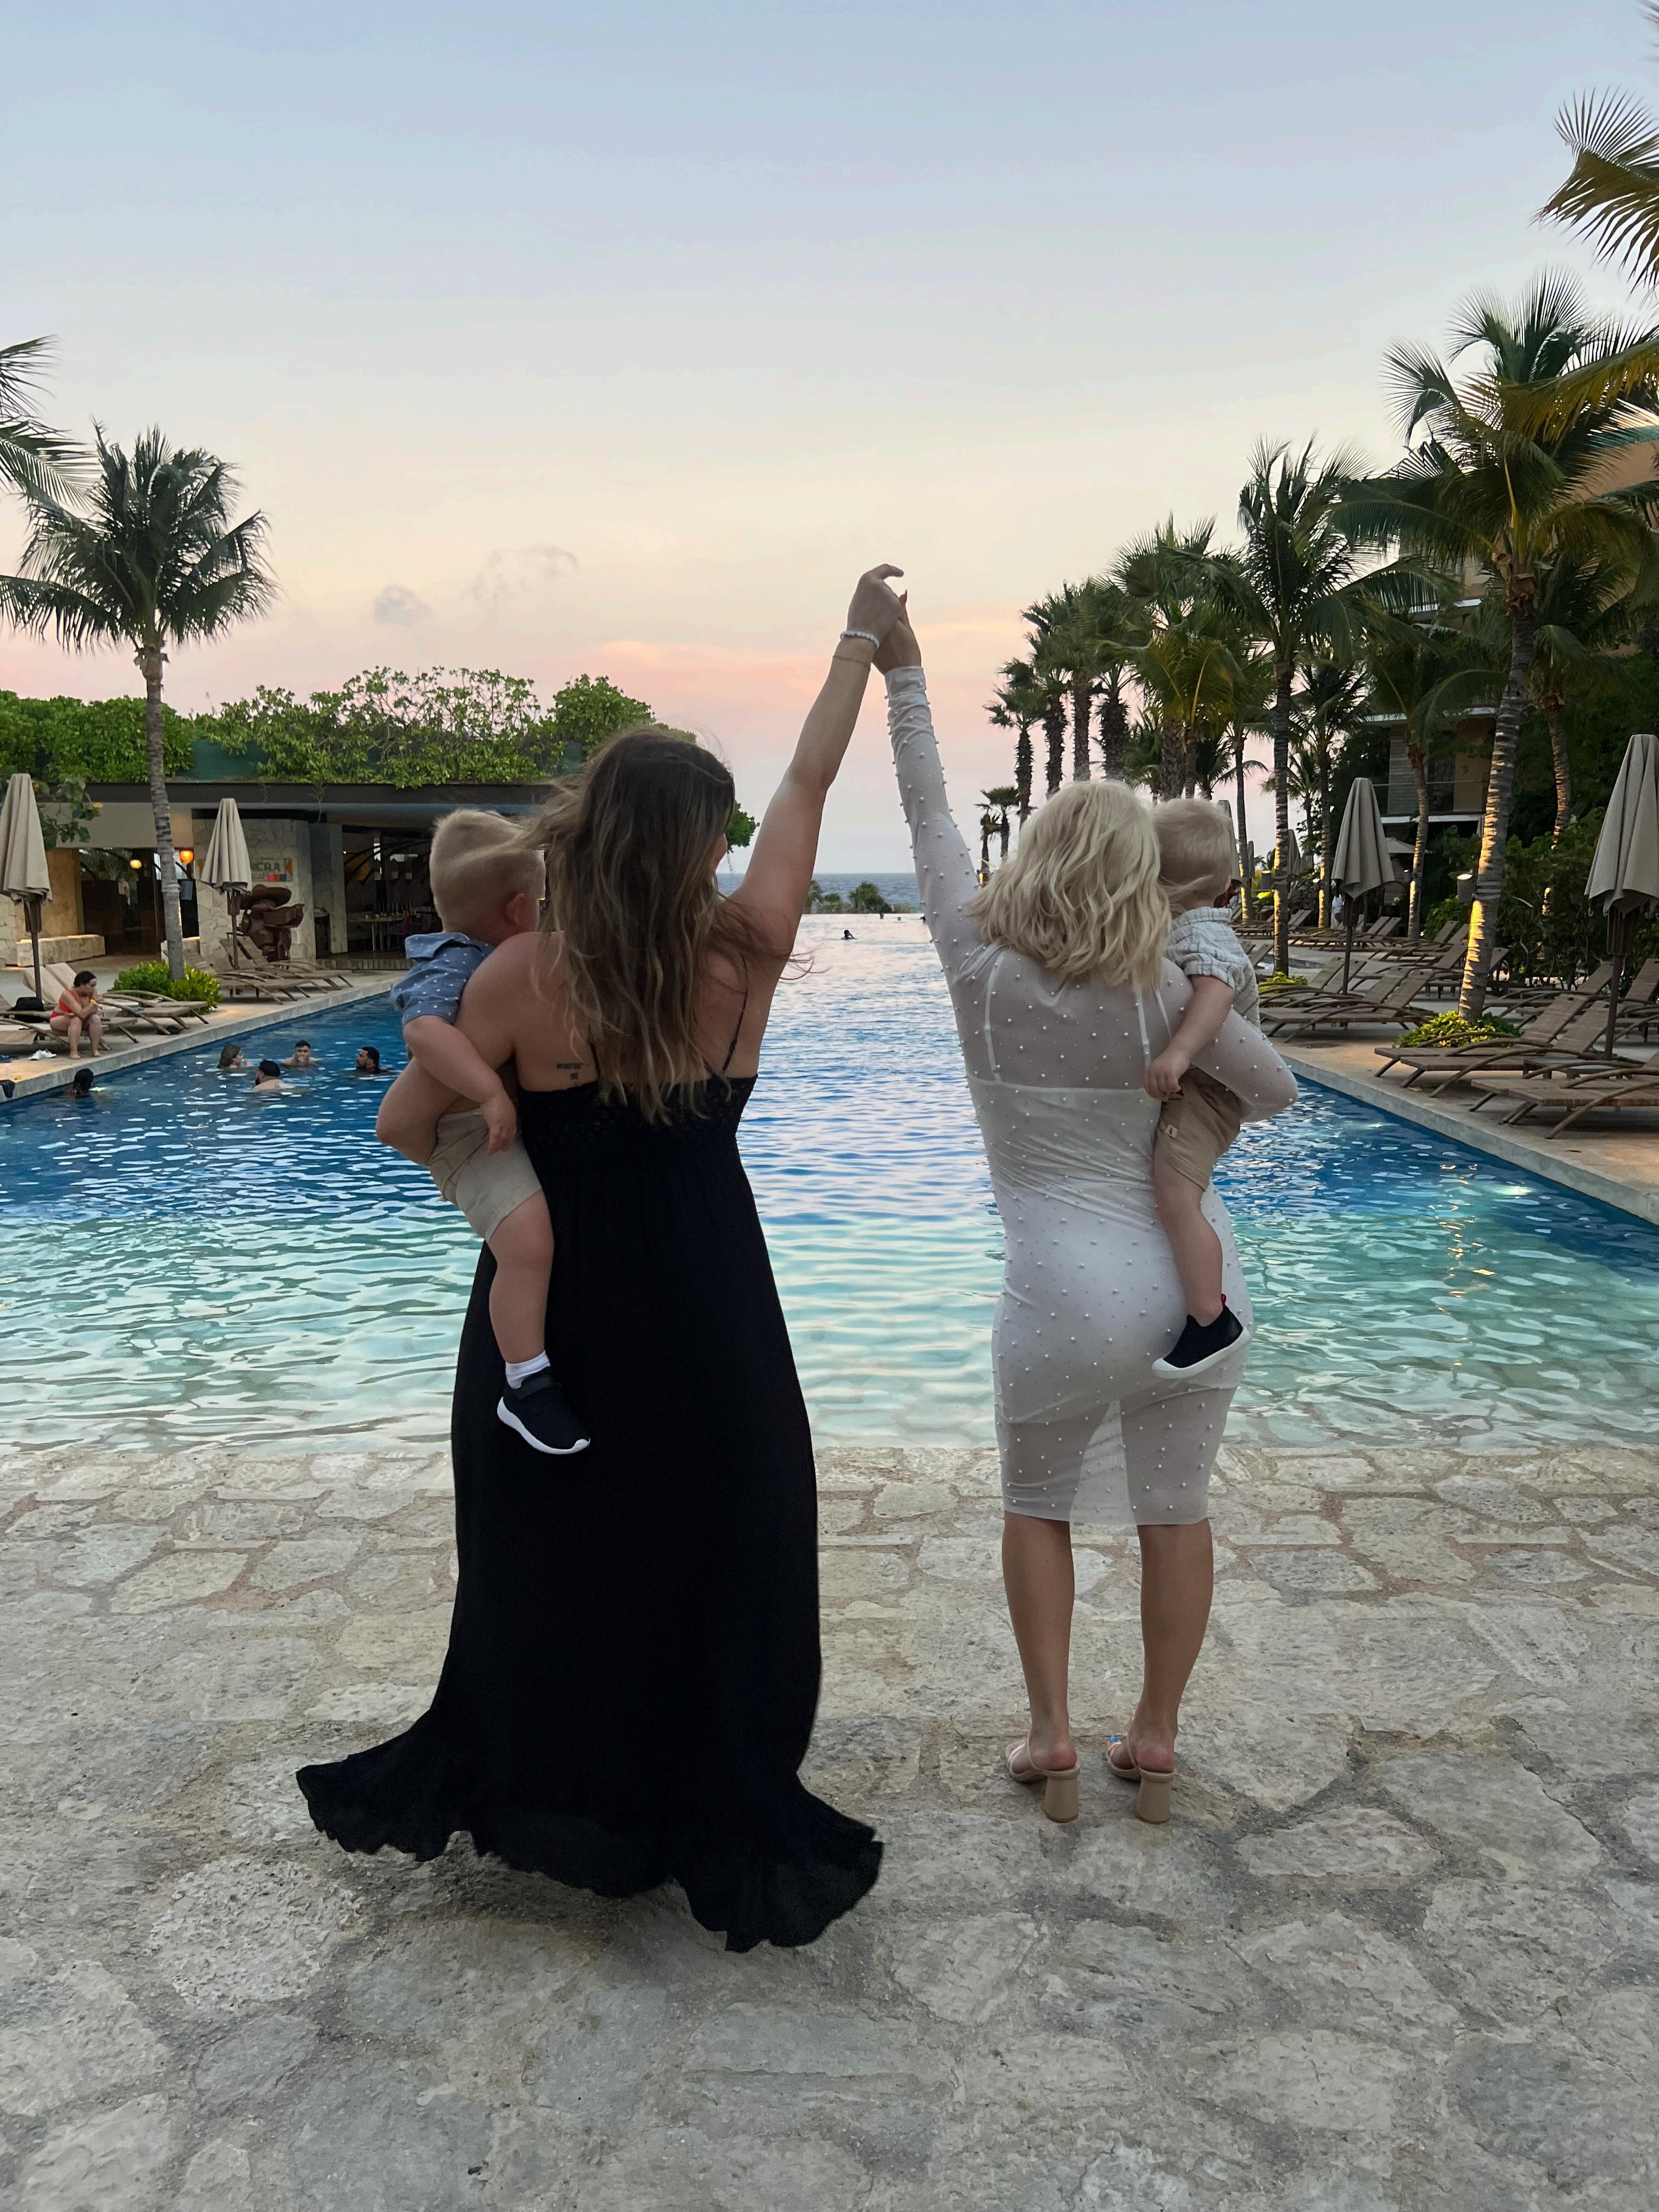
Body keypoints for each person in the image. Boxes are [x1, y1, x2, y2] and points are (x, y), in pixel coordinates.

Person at [298, 565, 907, 1950]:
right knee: (722, 1535)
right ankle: (708, 1787)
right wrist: (860, 644)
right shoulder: (748, 954)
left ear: (591, 832)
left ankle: (569, 1793)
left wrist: (489, 1162)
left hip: (557, 1312)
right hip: (705, 1289)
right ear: (698, 851)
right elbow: (808, 787)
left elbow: (412, 1123)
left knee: (558, 1550)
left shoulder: (517, 978)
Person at [879, 607, 1296, 1826]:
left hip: (1057, 1298)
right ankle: (1154, 1737)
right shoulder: (1168, 990)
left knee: (1037, 1505)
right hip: (1189, 1296)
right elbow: (1274, 1090)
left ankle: (1052, 1734)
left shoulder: (978, 970)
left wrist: (904, 674)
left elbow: (929, 817)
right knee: (1176, 1513)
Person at [374, 811, 585, 1457]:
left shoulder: (481, 959)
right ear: (518, 908)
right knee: (528, 1242)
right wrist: (490, 1092)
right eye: (541, 905)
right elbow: (423, 1032)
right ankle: (525, 1383)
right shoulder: (454, 962)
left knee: (530, 1240)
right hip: (464, 1130)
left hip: (477, 1126)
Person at [1143, 800, 1261, 1380]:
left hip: (1211, 1092)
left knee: (1175, 1196)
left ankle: (1211, 1320)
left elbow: (1215, 992)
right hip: (1201, 1085)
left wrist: (1179, 1053)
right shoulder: (1189, 926)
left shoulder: (1201, 932)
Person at [49, 970, 103, 1059]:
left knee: (95, 1018)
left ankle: (95, 1050)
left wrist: (93, 1002)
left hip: (80, 1019)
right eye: (92, 986)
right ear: (82, 985)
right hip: (60, 1019)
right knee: (76, 1019)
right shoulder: (68, 994)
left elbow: (94, 1012)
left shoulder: (91, 992)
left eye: (95, 986)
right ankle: (74, 1052)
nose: (94, 989)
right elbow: (81, 1014)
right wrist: (94, 1002)